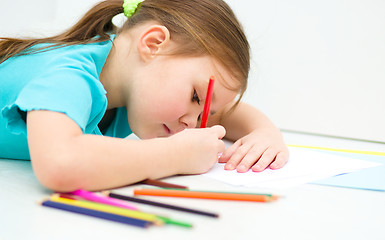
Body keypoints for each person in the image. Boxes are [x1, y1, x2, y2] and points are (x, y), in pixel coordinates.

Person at [0, 0, 289, 192]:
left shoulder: (135, 89)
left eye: (204, 114)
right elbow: (59, 165)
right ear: (153, 44)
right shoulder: (69, 76)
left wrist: (265, 133)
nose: (194, 123)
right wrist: (177, 156)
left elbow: (226, 112)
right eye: (196, 98)